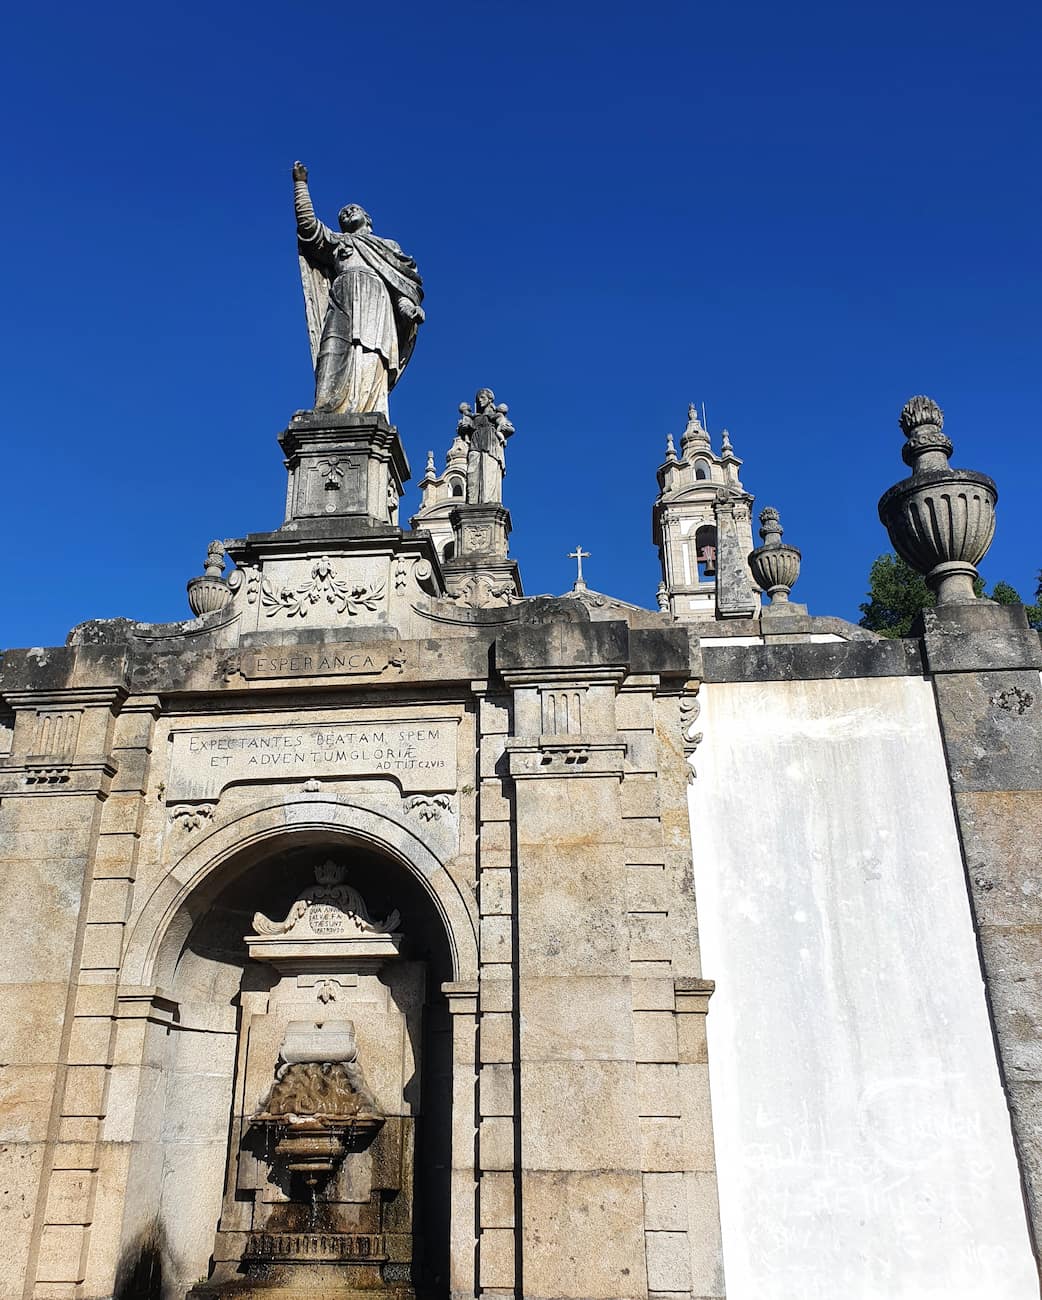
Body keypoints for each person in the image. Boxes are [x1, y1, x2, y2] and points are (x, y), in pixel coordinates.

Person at [293, 162, 424, 416]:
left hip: (376, 304)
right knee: (331, 350)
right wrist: (301, 186)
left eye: (354, 209)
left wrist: (407, 307)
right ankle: (327, 408)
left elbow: (399, 283)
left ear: (369, 219)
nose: (349, 211)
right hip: (342, 299)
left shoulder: (387, 246)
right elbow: (309, 229)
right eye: (344, 212)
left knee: (370, 354)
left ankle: (367, 410)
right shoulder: (339, 242)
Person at [458, 388, 514, 503]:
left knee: (488, 474)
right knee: (472, 473)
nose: (479, 400)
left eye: (482, 397)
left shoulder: (495, 416)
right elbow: (462, 431)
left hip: (490, 447)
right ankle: (472, 501)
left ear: (490, 400)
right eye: (478, 398)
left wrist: (502, 428)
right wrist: (464, 428)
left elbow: (509, 428)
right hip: (475, 445)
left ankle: (488, 501)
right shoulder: (473, 417)